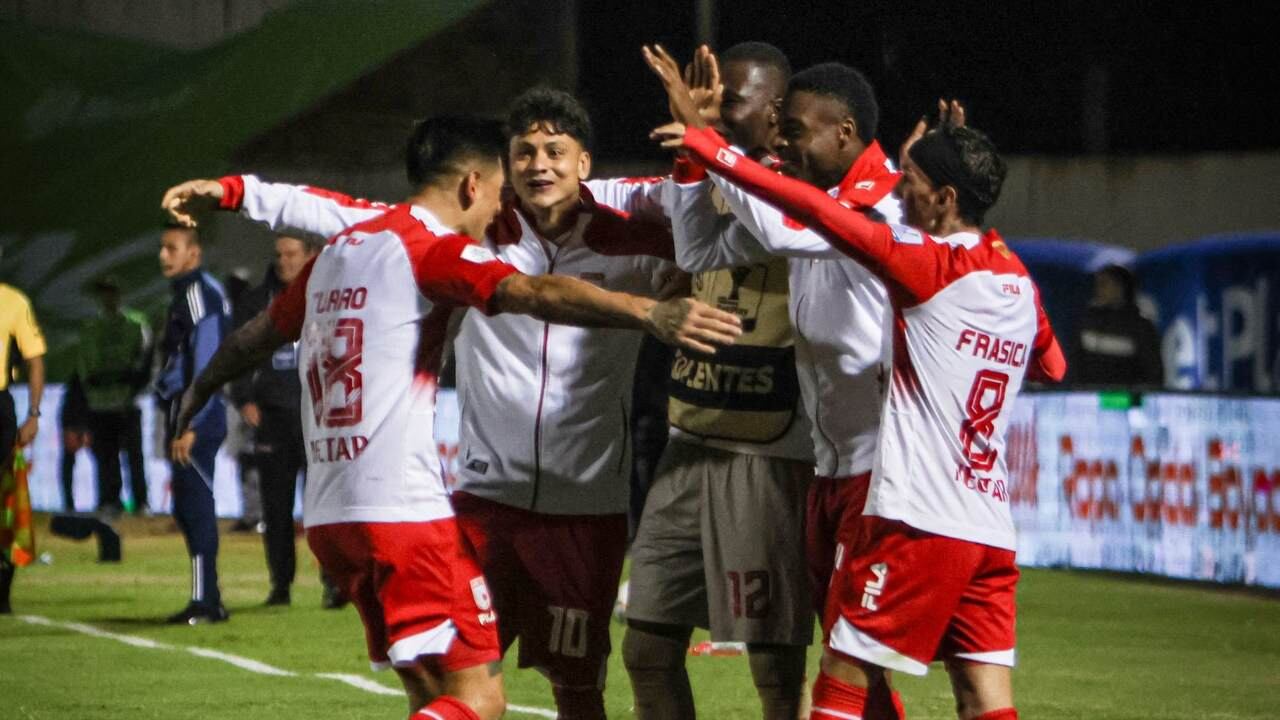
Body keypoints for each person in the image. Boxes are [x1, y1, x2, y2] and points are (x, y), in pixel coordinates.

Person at [161, 114, 741, 720]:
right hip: (407, 516)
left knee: (433, 693)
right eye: (498, 190)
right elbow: (533, 292)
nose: (499, 210)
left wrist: (200, 387)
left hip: (334, 517)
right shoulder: (436, 253)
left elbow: (255, 336)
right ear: (472, 185)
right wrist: (649, 314)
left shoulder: (337, 253)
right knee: (479, 700)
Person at [646, 51, 1067, 720]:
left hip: (898, 491)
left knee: (842, 679)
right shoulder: (1012, 275)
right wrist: (696, 167)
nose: (782, 144)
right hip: (930, 494)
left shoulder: (901, 235)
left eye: (794, 131)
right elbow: (1052, 366)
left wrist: (711, 143)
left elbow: (807, 216)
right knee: (966, 693)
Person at [597, 42, 823, 720]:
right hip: (688, 436)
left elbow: (757, 234)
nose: (715, 111)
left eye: (731, 102)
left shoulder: (802, 188)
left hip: (767, 446)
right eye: (710, 101)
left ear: (776, 113)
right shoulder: (710, 171)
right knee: (646, 649)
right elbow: (695, 248)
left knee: (773, 666)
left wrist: (703, 142)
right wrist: (694, 156)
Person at [228, 234, 345, 607]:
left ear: (310, 255)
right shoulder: (256, 301)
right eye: (279, 254)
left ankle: (334, 584)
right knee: (276, 508)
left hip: (320, 418)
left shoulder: (331, 294)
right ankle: (280, 585)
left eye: (291, 254)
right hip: (274, 417)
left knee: (324, 507)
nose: (283, 261)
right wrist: (243, 396)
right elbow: (239, 349)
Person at [155, 222, 232, 624]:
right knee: (187, 507)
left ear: (194, 254)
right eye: (163, 248)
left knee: (197, 507)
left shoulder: (199, 295)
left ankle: (206, 602)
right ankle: (207, 596)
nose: (163, 255)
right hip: (185, 414)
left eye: (172, 248)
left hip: (195, 416)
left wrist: (190, 423)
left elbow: (206, 363)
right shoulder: (186, 294)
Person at [78, 275, 152, 516]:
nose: (108, 296)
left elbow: (146, 361)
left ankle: (141, 502)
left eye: (113, 291)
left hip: (127, 402)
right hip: (100, 403)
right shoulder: (91, 328)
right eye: (105, 292)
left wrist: (133, 389)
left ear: (120, 294)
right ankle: (109, 500)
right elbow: (84, 367)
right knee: (105, 455)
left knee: (134, 455)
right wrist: (90, 392)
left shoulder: (136, 323)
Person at [0, 271, 46, 614]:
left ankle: (2, 591)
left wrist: (33, 414)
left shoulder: (13, 301)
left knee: (5, 503)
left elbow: (35, 361)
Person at [1068, 264, 1163, 387]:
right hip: (1089, 396)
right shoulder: (1086, 322)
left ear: (1120, 288)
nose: (1099, 290)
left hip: (1125, 397)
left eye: (1104, 284)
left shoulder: (1141, 328)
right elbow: (1074, 362)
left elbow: (1153, 372)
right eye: (1097, 284)